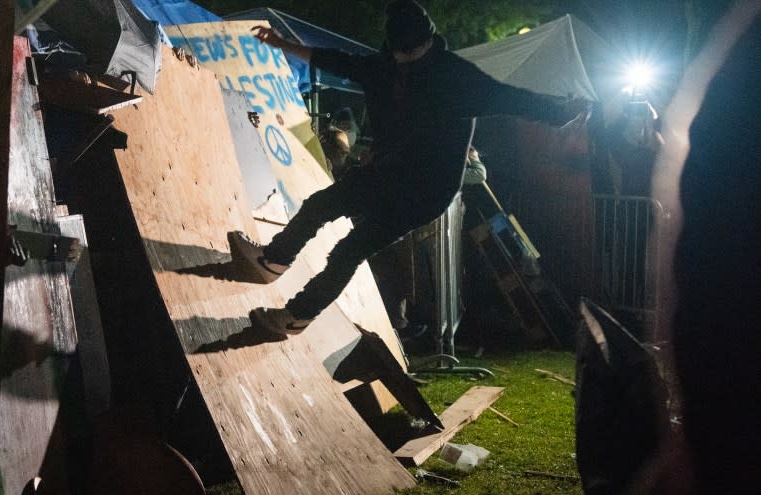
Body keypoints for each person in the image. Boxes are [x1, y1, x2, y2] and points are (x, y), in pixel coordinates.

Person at [231, 0, 589, 334]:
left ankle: (298, 315)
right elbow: (336, 60)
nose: (406, 61)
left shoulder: (457, 79)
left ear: (428, 42)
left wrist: (560, 113)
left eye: (412, 54)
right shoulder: (384, 66)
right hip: (387, 173)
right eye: (399, 55)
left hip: (425, 191)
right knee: (319, 206)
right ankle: (274, 261)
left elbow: (512, 98)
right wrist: (280, 43)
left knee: (349, 250)